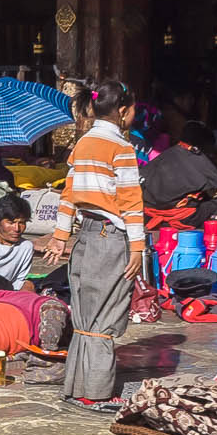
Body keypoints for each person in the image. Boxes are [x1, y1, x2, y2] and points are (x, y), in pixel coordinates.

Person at [49, 81, 144, 408]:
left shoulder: (84, 143)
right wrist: (137, 247)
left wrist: (61, 237)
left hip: (86, 238)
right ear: (122, 111)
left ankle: (76, 388)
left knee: (86, 316)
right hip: (111, 237)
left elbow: (68, 196)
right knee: (105, 316)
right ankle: (97, 393)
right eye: (132, 110)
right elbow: (131, 202)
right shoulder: (122, 149)